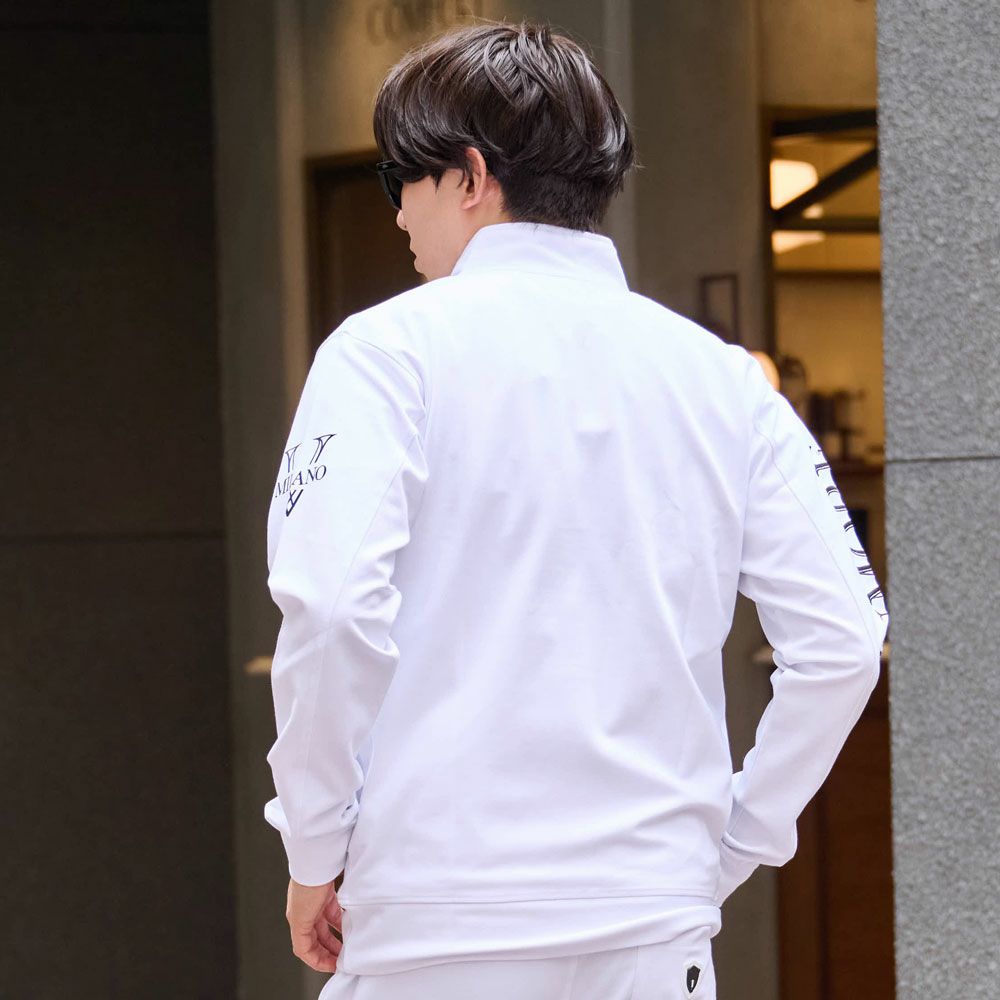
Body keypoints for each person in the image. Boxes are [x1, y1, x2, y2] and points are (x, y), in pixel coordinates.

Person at [262, 18, 890, 1000]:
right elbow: (846, 639)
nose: (399, 216)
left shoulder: (383, 354)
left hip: (438, 917)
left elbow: (334, 612)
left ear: (470, 177)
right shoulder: (721, 377)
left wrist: (313, 848)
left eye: (402, 181)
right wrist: (735, 839)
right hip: (653, 926)